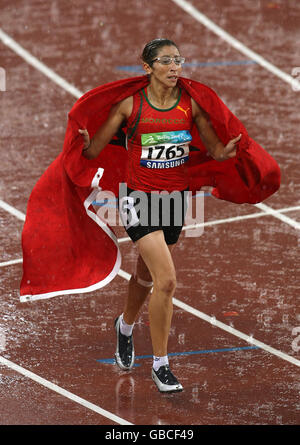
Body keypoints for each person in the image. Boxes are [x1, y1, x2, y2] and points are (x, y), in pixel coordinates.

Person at [78, 38, 241, 393]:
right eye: (166, 61)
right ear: (147, 67)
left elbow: (212, 148)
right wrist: (85, 141)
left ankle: (124, 325)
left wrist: (225, 153)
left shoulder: (189, 106)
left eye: (178, 60)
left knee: (146, 276)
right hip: (138, 200)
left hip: (173, 202)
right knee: (167, 280)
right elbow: (92, 152)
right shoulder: (129, 106)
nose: (174, 67)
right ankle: (161, 366)